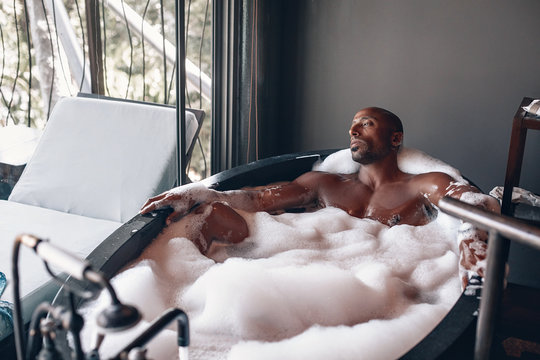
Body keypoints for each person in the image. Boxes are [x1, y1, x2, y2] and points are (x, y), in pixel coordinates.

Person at [141, 107, 500, 286]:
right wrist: (197, 191)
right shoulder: (324, 183)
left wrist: (472, 242)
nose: (353, 129)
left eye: (366, 123)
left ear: (395, 139)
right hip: (308, 275)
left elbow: (467, 202)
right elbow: (259, 199)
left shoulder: (424, 183)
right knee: (214, 211)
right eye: (352, 125)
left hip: (395, 286)